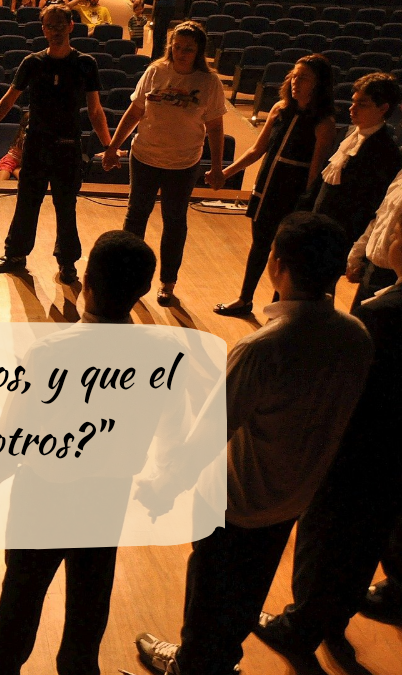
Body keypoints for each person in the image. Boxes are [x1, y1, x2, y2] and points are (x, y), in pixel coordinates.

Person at [131, 212, 373, 675]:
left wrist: (161, 489)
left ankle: (194, 664)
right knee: (250, 586)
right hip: (294, 497)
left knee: (209, 591)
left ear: (276, 265)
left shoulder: (263, 349)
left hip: (236, 502)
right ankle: (222, 657)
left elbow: (207, 435)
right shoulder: (356, 336)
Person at [0, 230, 160, 675]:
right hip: (109, 494)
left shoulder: (49, 353)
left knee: (22, 593)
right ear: (144, 289)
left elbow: (12, 439)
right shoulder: (159, 355)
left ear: (85, 283)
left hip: (44, 495)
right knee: (90, 597)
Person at [252, 220, 402, 672]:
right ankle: (336, 616)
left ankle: (301, 627)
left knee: (326, 535)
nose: (390, 235)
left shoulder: (383, 314)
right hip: (392, 454)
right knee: (369, 536)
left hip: (359, 447)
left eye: (398, 230)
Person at [0, 3, 112, 283]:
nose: (55, 31)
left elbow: (95, 110)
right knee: (27, 202)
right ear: (43, 29)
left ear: (71, 26)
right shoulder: (32, 63)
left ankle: (67, 262)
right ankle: (15, 254)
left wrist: (109, 146)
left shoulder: (85, 63)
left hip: (68, 145)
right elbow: (8, 101)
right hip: (36, 144)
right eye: (50, 26)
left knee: (66, 205)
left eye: (60, 25)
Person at [102, 21, 225, 306]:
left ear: (199, 51)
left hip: (183, 163)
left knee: (174, 221)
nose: (181, 53)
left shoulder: (209, 83)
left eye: (188, 49)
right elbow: (134, 112)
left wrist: (217, 167)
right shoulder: (156, 71)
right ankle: (128, 278)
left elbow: (215, 127)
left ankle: (168, 282)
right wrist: (113, 147)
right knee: (135, 216)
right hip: (145, 157)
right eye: (177, 47)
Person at [214, 54, 336, 316]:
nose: (295, 82)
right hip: (267, 188)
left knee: (286, 253)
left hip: (293, 195)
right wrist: (225, 173)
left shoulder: (324, 122)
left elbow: (315, 172)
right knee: (259, 246)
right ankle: (244, 299)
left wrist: (306, 206)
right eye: (294, 76)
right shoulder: (280, 109)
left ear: (319, 84)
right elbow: (257, 150)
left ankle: (280, 309)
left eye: (304, 78)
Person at [298, 73, 402, 256]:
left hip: (341, 240)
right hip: (316, 230)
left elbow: (371, 207)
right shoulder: (346, 133)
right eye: (353, 102)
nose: (352, 109)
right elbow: (323, 181)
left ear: (383, 108)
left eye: (362, 104)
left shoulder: (386, 151)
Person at [348, 174, 402, 310]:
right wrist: (355, 257)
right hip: (372, 270)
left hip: (393, 277)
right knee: (360, 316)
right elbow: (378, 221)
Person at [0, 111, 28, 181]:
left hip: (23, 165)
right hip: (9, 162)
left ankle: (15, 170)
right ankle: (14, 169)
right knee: (0, 183)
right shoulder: (23, 137)